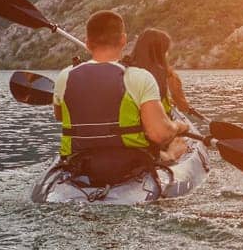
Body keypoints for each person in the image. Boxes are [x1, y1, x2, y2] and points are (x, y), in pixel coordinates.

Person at [52, 10, 192, 185]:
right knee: (172, 148)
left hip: (78, 161)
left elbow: (60, 116)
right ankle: (170, 156)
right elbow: (159, 134)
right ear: (123, 40)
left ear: (87, 43)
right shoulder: (139, 77)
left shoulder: (65, 76)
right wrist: (178, 126)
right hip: (130, 161)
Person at [125, 27, 193, 118]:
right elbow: (183, 107)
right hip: (159, 123)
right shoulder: (168, 75)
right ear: (162, 52)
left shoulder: (124, 68)